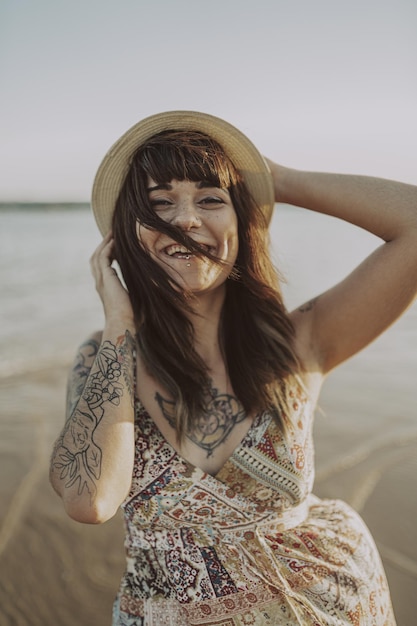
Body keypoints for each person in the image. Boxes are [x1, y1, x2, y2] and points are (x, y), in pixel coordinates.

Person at [50, 111, 417, 626]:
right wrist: (118, 323)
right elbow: (89, 500)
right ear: (128, 239)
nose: (186, 220)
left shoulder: (297, 343)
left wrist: (275, 180)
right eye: (159, 203)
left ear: (241, 224)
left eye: (210, 199)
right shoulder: (104, 359)